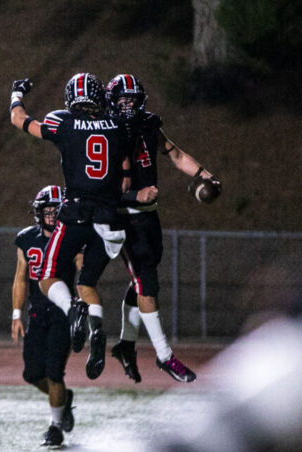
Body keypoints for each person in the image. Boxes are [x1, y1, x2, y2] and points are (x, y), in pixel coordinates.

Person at [10, 73, 132, 381]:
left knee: (47, 276)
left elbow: (19, 120)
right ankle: (96, 328)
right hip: (110, 220)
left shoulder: (62, 121)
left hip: (77, 214)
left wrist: (17, 94)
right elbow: (126, 175)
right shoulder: (118, 125)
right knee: (87, 283)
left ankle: (72, 311)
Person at [105, 73, 221, 383]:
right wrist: (134, 196)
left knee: (142, 281)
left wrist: (205, 175)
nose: (128, 106)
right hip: (124, 216)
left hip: (148, 215)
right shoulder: (105, 131)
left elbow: (176, 154)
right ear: (112, 103)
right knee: (146, 283)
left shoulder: (148, 124)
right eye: (122, 101)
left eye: (132, 100)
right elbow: (101, 187)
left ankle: (126, 345)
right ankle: (165, 356)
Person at [11, 185, 77, 447]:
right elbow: (20, 278)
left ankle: (55, 426)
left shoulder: (72, 238)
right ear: (39, 212)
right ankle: (64, 399)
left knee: (54, 372)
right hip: (37, 312)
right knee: (32, 374)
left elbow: (84, 272)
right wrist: (16, 313)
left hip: (62, 312)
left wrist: (85, 308)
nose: (51, 215)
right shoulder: (27, 238)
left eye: (56, 210)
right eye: (47, 210)